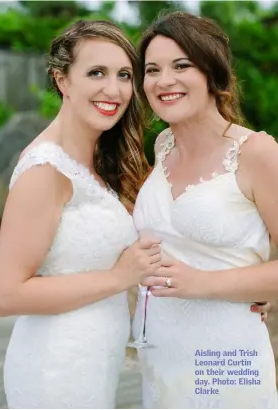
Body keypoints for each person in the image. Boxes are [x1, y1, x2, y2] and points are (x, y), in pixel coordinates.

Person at [0, 19, 162, 409]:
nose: (114, 89)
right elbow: (5, 294)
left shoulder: (96, 159)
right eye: (96, 73)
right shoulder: (45, 170)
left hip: (92, 364)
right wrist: (118, 277)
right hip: (56, 370)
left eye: (123, 75)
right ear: (62, 80)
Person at [132, 11, 278, 409]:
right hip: (160, 356)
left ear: (213, 72)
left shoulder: (258, 153)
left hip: (226, 360)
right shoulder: (162, 146)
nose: (164, 81)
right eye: (152, 70)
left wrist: (206, 283)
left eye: (182, 65)